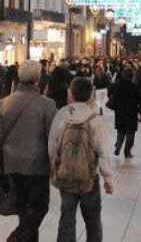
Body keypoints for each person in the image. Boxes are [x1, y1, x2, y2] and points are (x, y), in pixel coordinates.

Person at [0, 60, 57, 242]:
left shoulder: (5, 103)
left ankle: (23, 237)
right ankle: (16, 237)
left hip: (12, 163)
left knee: (23, 209)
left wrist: (0, 154)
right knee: (40, 207)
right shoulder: (47, 104)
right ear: (38, 79)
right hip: (37, 164)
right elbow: (52, 137)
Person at [48, 77, 114, 242]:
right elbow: (103, 151)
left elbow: (53, 147)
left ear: (71, 94)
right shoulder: (94, 120)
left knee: (67, 219)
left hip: (66, 177)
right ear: (90, 96)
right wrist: (108, 178)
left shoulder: (62, 117)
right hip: (88, 178)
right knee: (92, 221)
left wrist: (55, 168)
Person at [108, 67, 141, 158]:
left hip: (120, 112)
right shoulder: (134, 87)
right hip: (131, 113)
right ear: (131, 76)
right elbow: (139, 99)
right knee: (131, 133)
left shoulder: (117, 86)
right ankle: (127, 151)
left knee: (121, 131)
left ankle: (118, 146)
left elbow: (110, 93)